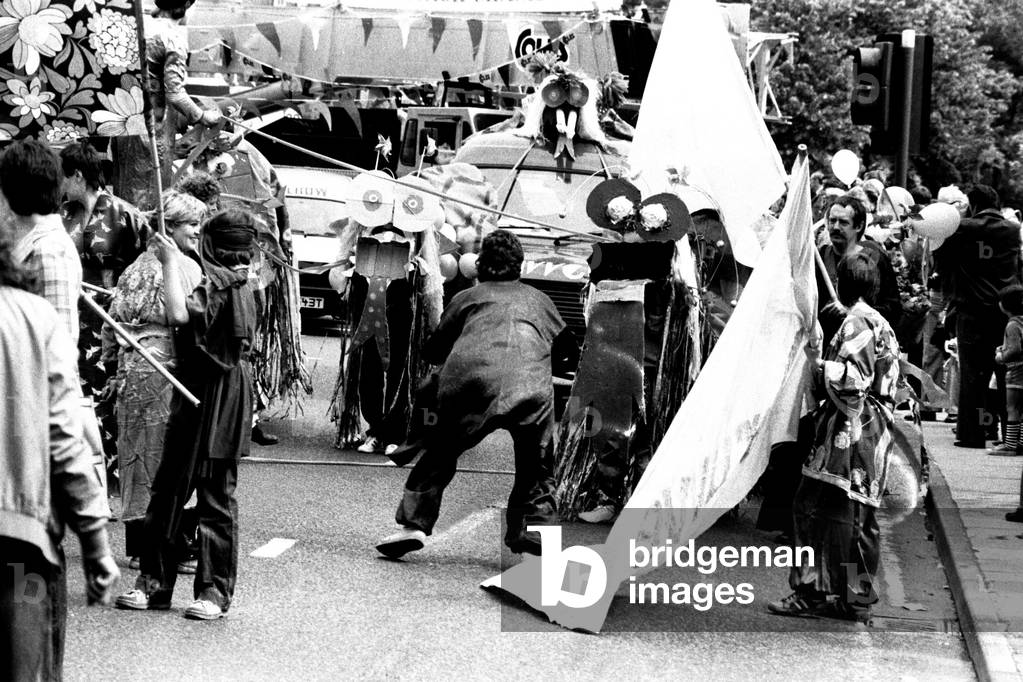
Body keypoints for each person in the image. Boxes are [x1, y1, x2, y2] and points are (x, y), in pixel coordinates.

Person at [376, 230, 564, 558]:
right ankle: (533, 526)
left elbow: (434, 350)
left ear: (478, 266)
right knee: (538, 458)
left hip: (470, 383)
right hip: (530, 387)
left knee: (441, 451)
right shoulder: (541, 300)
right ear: (519, 266)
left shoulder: (466, 298)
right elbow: (565, 351)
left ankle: (414, 525)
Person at [116, 209, 257, 620]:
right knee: (168, 488)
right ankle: (154, 584)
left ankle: (212, 592)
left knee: (214, 495)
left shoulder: (223, 284)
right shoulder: (238, 279)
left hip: (219, 392)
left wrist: (167, 263)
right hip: (199, 389)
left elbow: (179, 315)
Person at [0, 234, 119, 681]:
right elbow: (66, 439)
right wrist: (95, 542)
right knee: (25, 667)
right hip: (21, 543)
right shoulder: (36, 319)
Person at [768, 252, 902, 622]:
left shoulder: (856, 323)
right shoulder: (878, 321)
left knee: (814, 509)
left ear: (842, 282)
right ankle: (852, 597)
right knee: (855, 518)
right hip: (870, 431)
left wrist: (818, 362)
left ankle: (811, 592)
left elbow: (854, 382)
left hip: (851, 430)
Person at [104, 190, 205, 566]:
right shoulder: (185, 269)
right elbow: (192, 323)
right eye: (192, 224)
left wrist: (115, 370)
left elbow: (109, 325)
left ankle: (139, 547)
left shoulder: (131, 269)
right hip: (166, 370)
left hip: (132, 372)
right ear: (170, 228)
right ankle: (170, 543)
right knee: (168, 456)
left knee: (136, 453)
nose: (198, 232)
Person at [61, 140, 150, 479]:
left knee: (107, 391)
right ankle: (79, 469)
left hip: (110, 318)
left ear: (79, 176)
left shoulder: (123, 214)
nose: (61, 187)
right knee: (73, 391)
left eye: (64, 178)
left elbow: (147, 260)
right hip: (71, 315)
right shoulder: (63, 215)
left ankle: (112, 470)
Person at [937, 185, 1021, 448]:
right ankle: (1007, 433)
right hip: (1004, 307)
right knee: (1004, 371)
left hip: (971, 310)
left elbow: (944, 261)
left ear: (972, 205)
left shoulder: (964, 227)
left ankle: (972, 433)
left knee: (973, 374)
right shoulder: (1012, 229)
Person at [145, 0, 222, 183]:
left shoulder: (141, 28)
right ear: (187, 5)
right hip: (152, 132)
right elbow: (175, 94)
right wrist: (203, 116)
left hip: (125, 128)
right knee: (154, 197)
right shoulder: (173, 39)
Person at [816, 195, 902, 346]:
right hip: (826, 346)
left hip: (863, 349)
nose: (835, 227)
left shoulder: (874, 258)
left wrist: (853, 313)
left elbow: (893, 309)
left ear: (859, 226)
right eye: (832, 220)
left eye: (843, 222)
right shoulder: (820, 257)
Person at [989, 285, 1023, 456]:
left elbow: (1015, 349)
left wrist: (1000, 356)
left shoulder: (1012, 325)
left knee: (1012, 408)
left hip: (1015, 371)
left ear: (1004, 305)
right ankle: (1021, 442)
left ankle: (1010, 445)